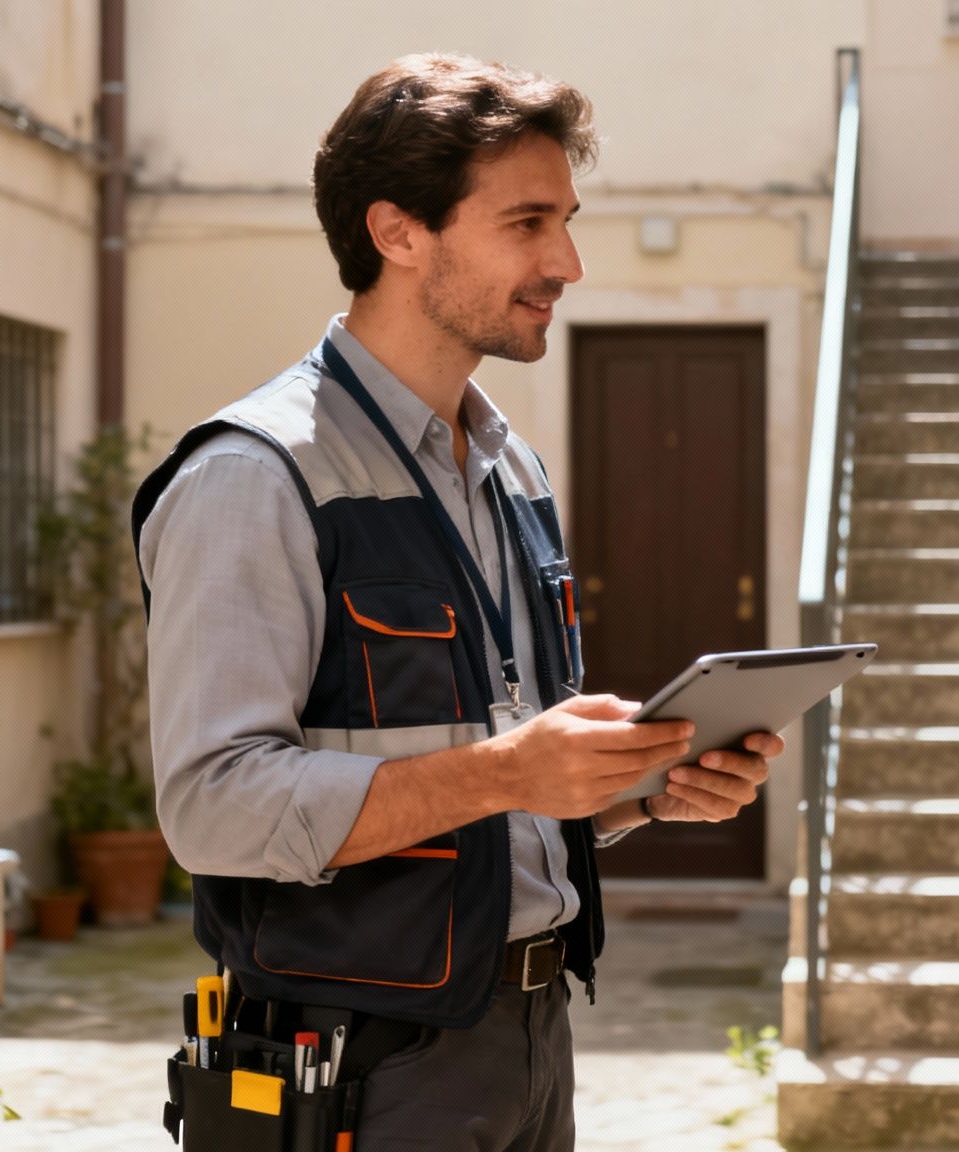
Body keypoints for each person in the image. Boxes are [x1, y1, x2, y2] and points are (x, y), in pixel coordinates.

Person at [133, 53, 781, 1151]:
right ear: (397, 232)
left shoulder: (510, 468)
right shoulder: (254, 476)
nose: (566, 262)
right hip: (361, 1065)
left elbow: (501, 788)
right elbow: (213, 807)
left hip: (529, 1038)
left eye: (565, 222)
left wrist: (636, 792)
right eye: (527, 223)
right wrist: (510, 771)